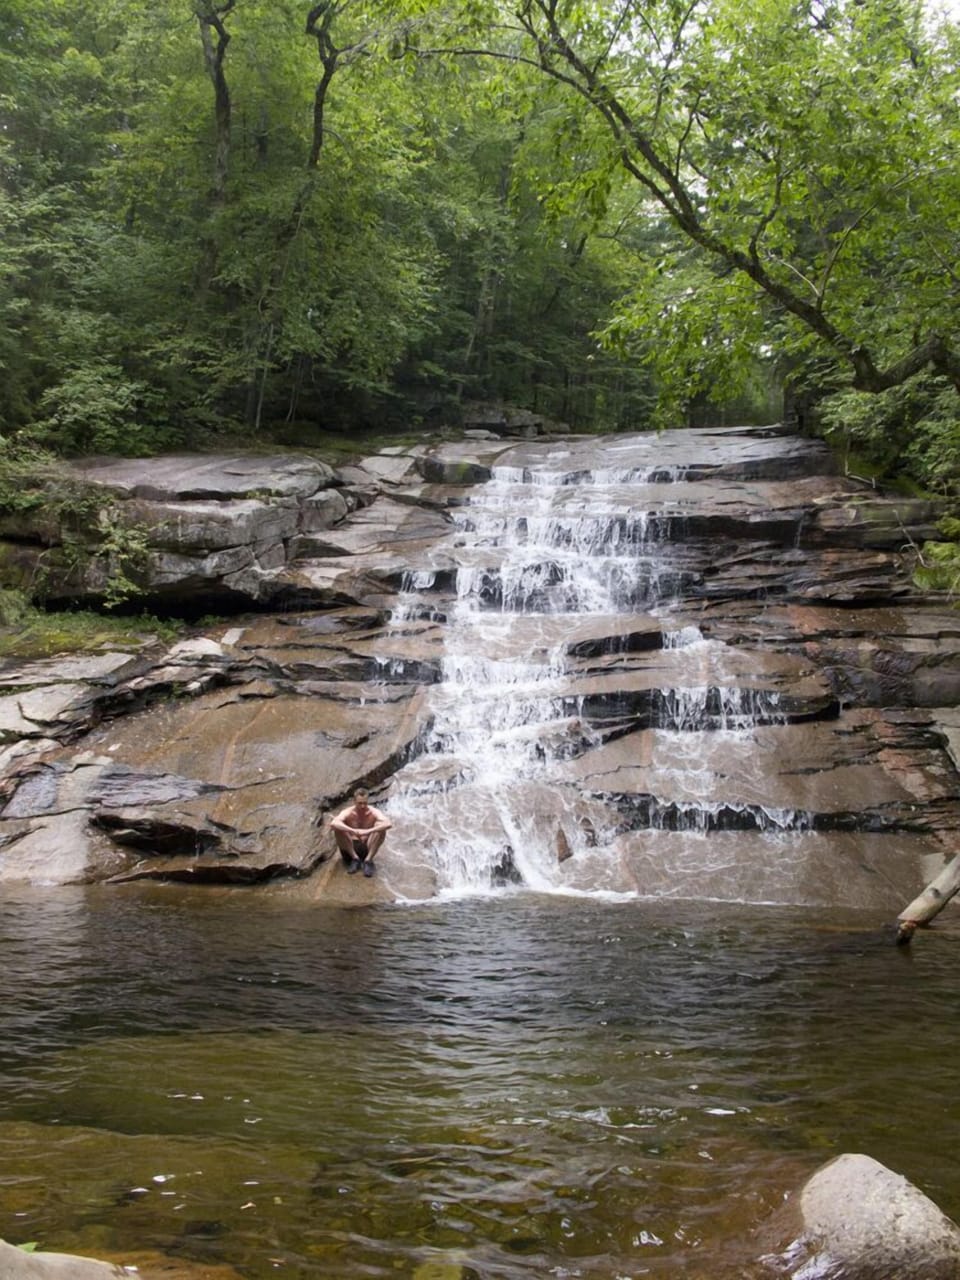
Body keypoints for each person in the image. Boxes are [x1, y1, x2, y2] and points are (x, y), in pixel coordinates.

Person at [330, 787, 392, 877]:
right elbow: (334, 823)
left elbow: (388, 823)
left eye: (365, 803)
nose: (362, 806)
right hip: (350, 847)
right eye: (360, 803)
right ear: (354, 802)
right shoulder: (348, 812)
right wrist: (353, 831)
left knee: (381, 828)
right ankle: (355, 858)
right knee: (338, 828)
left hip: (367, 846)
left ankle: (368, 860)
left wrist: (368, 831)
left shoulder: (373, 812)